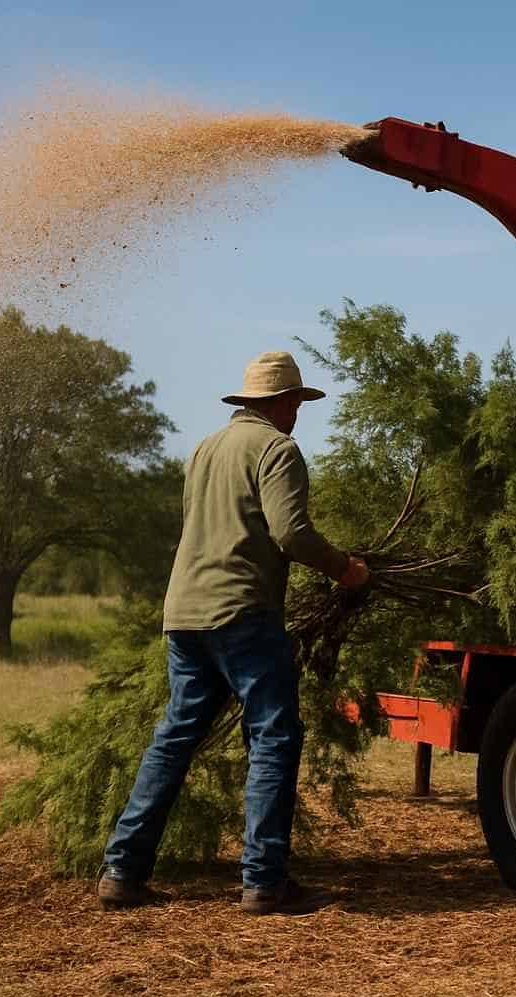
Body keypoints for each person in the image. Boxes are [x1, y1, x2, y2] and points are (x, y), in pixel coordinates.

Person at [97, 351, 370, 916]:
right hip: (242, 613)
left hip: (185, 613)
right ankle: (264, 881)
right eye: (296, 401)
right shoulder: (277, 449)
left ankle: (122, 871)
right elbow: (291, 533)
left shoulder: (204, 448)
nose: (298, 412)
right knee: (273, 736)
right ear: (281, 402)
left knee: (174, 738)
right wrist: (346, 569)